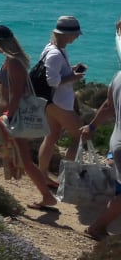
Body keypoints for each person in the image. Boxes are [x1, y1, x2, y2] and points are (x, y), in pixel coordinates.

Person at [0, 24, 60, 212]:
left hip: (11, 118)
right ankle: (47, 197)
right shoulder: (11, 60)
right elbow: (0, 78)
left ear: (2, 43)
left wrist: (9, 116)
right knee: (24, 160)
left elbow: (17, 93)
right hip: (9, 117)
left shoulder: (15, 63)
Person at [79, 16, 121, 241]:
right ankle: (97, 227)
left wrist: (92, 126)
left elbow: (107, 107)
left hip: (117, 141)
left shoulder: (117, 78)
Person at [37, 15, 86, 174]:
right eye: (75, 34)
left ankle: (43, 174)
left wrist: (70, 69)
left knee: (51, 137)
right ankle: (67, 176)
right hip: (60, 103)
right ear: (65, 34)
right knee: (81, 136)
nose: (77, 37)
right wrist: (73, 77)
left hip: (51, 102)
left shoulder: (52, 48)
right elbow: (52, 80)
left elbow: (54, 73)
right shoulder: (55, 54)